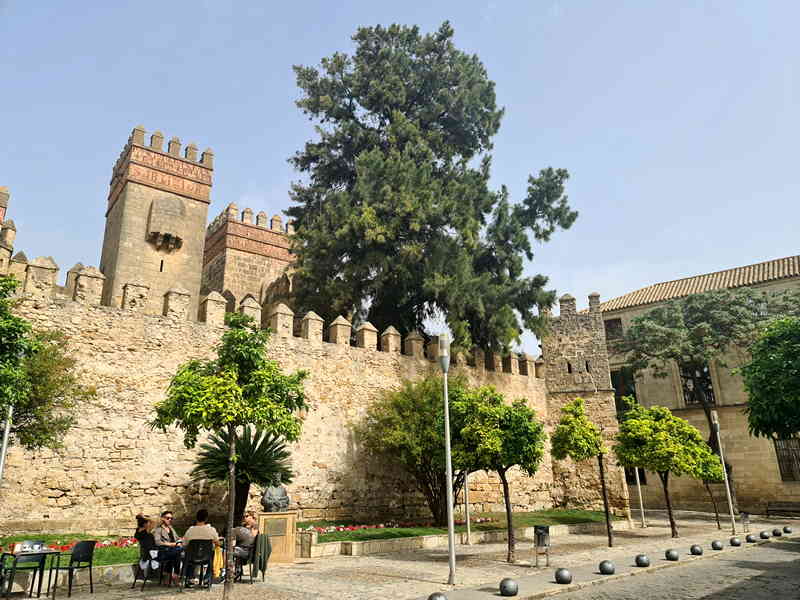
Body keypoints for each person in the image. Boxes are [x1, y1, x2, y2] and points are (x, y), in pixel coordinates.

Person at [181, 509, 219, 585]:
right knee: (214, 552)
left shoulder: (190, 530)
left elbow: (184, 544)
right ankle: (207, 578)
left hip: (191, 558)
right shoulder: (211, 530)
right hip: (206, 557)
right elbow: (217, 542)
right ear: (206, 519)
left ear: (196, 518)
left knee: (188, 552)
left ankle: (190, 577)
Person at [153, 510, 182, 581]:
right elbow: (157, 542)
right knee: (178, 552)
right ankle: (176, 575)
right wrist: (171, 544)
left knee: (179, 552)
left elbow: (177, 538)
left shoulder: (171, 528)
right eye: (167, 518)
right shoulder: (158, 530)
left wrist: (183, 539)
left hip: (174, 550)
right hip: (164, 551)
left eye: (171, 518)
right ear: (162, 518)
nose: (170, 520)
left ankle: (167, 573)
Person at [232, 511, 259, 579]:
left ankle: (230, 571)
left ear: (252, 517)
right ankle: (237, 570)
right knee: (233, 548)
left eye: (247, 516)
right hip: (242, 546)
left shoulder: (255, 525)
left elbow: (252, 538)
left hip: (248, 550)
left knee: (229, 551)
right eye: (244, 516)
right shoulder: (244, 525)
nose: (245, 518)